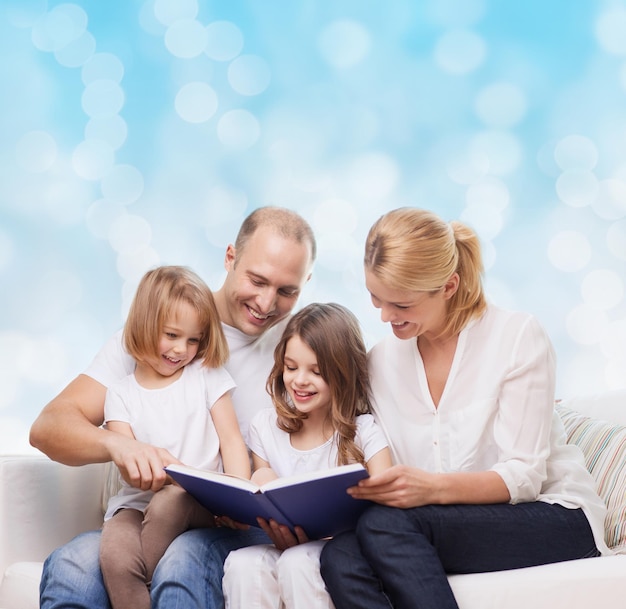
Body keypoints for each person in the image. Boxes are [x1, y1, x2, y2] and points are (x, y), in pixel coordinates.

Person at [318, 207, 611, 609]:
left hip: (552, 515)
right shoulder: (382, 361)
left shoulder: (516, 337)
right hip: (433, 524)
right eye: (376, 299)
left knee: (386, 526)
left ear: (449, 286)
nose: (386, 317)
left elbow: (523, 476)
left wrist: (430, 488)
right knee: (340, 557)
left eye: (402, 305)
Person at [30, 206, 316, 609]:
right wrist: (119, 445)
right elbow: (48, 427)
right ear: (230, 257)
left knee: (182, 559)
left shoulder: (302, 351)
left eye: (287, 291)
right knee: (72, 565)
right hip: (144, 515)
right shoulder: (153, 335)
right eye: (257, 280)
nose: (267, 302)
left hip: (231, 524)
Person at [222, 302, 392, 609]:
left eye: (316, 371)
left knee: (299, 562)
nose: (299, 380)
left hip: (341, 549)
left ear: (343, 374)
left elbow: (386, 509)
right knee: (244, 562)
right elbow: (264, 497)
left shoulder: (364, 431)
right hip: (282, 543)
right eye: (291, 367)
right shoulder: (265, 426)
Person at [99, 265, 251, 609]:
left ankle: (152, 582)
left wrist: (238, 497)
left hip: (198, 502)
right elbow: (128, 466)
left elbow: (231, 440)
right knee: (114, 556)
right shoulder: (120, 393)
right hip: (136, 503)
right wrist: (159, 467)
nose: (181, 349)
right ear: (143, 325)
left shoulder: (206, 374)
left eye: (193, 339)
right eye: (171, 335)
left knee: (171, 501)